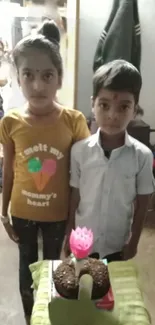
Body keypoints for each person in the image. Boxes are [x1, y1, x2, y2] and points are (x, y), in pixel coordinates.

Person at [0, 20, 90, 325]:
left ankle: (49, 317)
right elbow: (9, 171)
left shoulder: (74, 121)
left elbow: (80, 177)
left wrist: (74, 221)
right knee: (26, 268)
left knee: (54, 269)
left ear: (60, 79)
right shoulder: (10, 123)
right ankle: (29, 319)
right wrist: (3, 213)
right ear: (18, 78)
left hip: (57, 215)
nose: (37, 85)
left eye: (47, 75)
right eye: (28, 75)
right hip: (22, 214)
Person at [64, 59, 155, 262]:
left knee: (112, 291)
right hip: (82, 241)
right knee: (83, 288)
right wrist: (69, 232)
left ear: (134, 110)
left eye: (123, 107)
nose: (112, 115)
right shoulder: (79, 152)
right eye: (104, 105)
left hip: (117, 244)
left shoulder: (142, 156)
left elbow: (143, 204)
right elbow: (75, 194)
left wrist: (134, 242)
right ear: (92, 104)